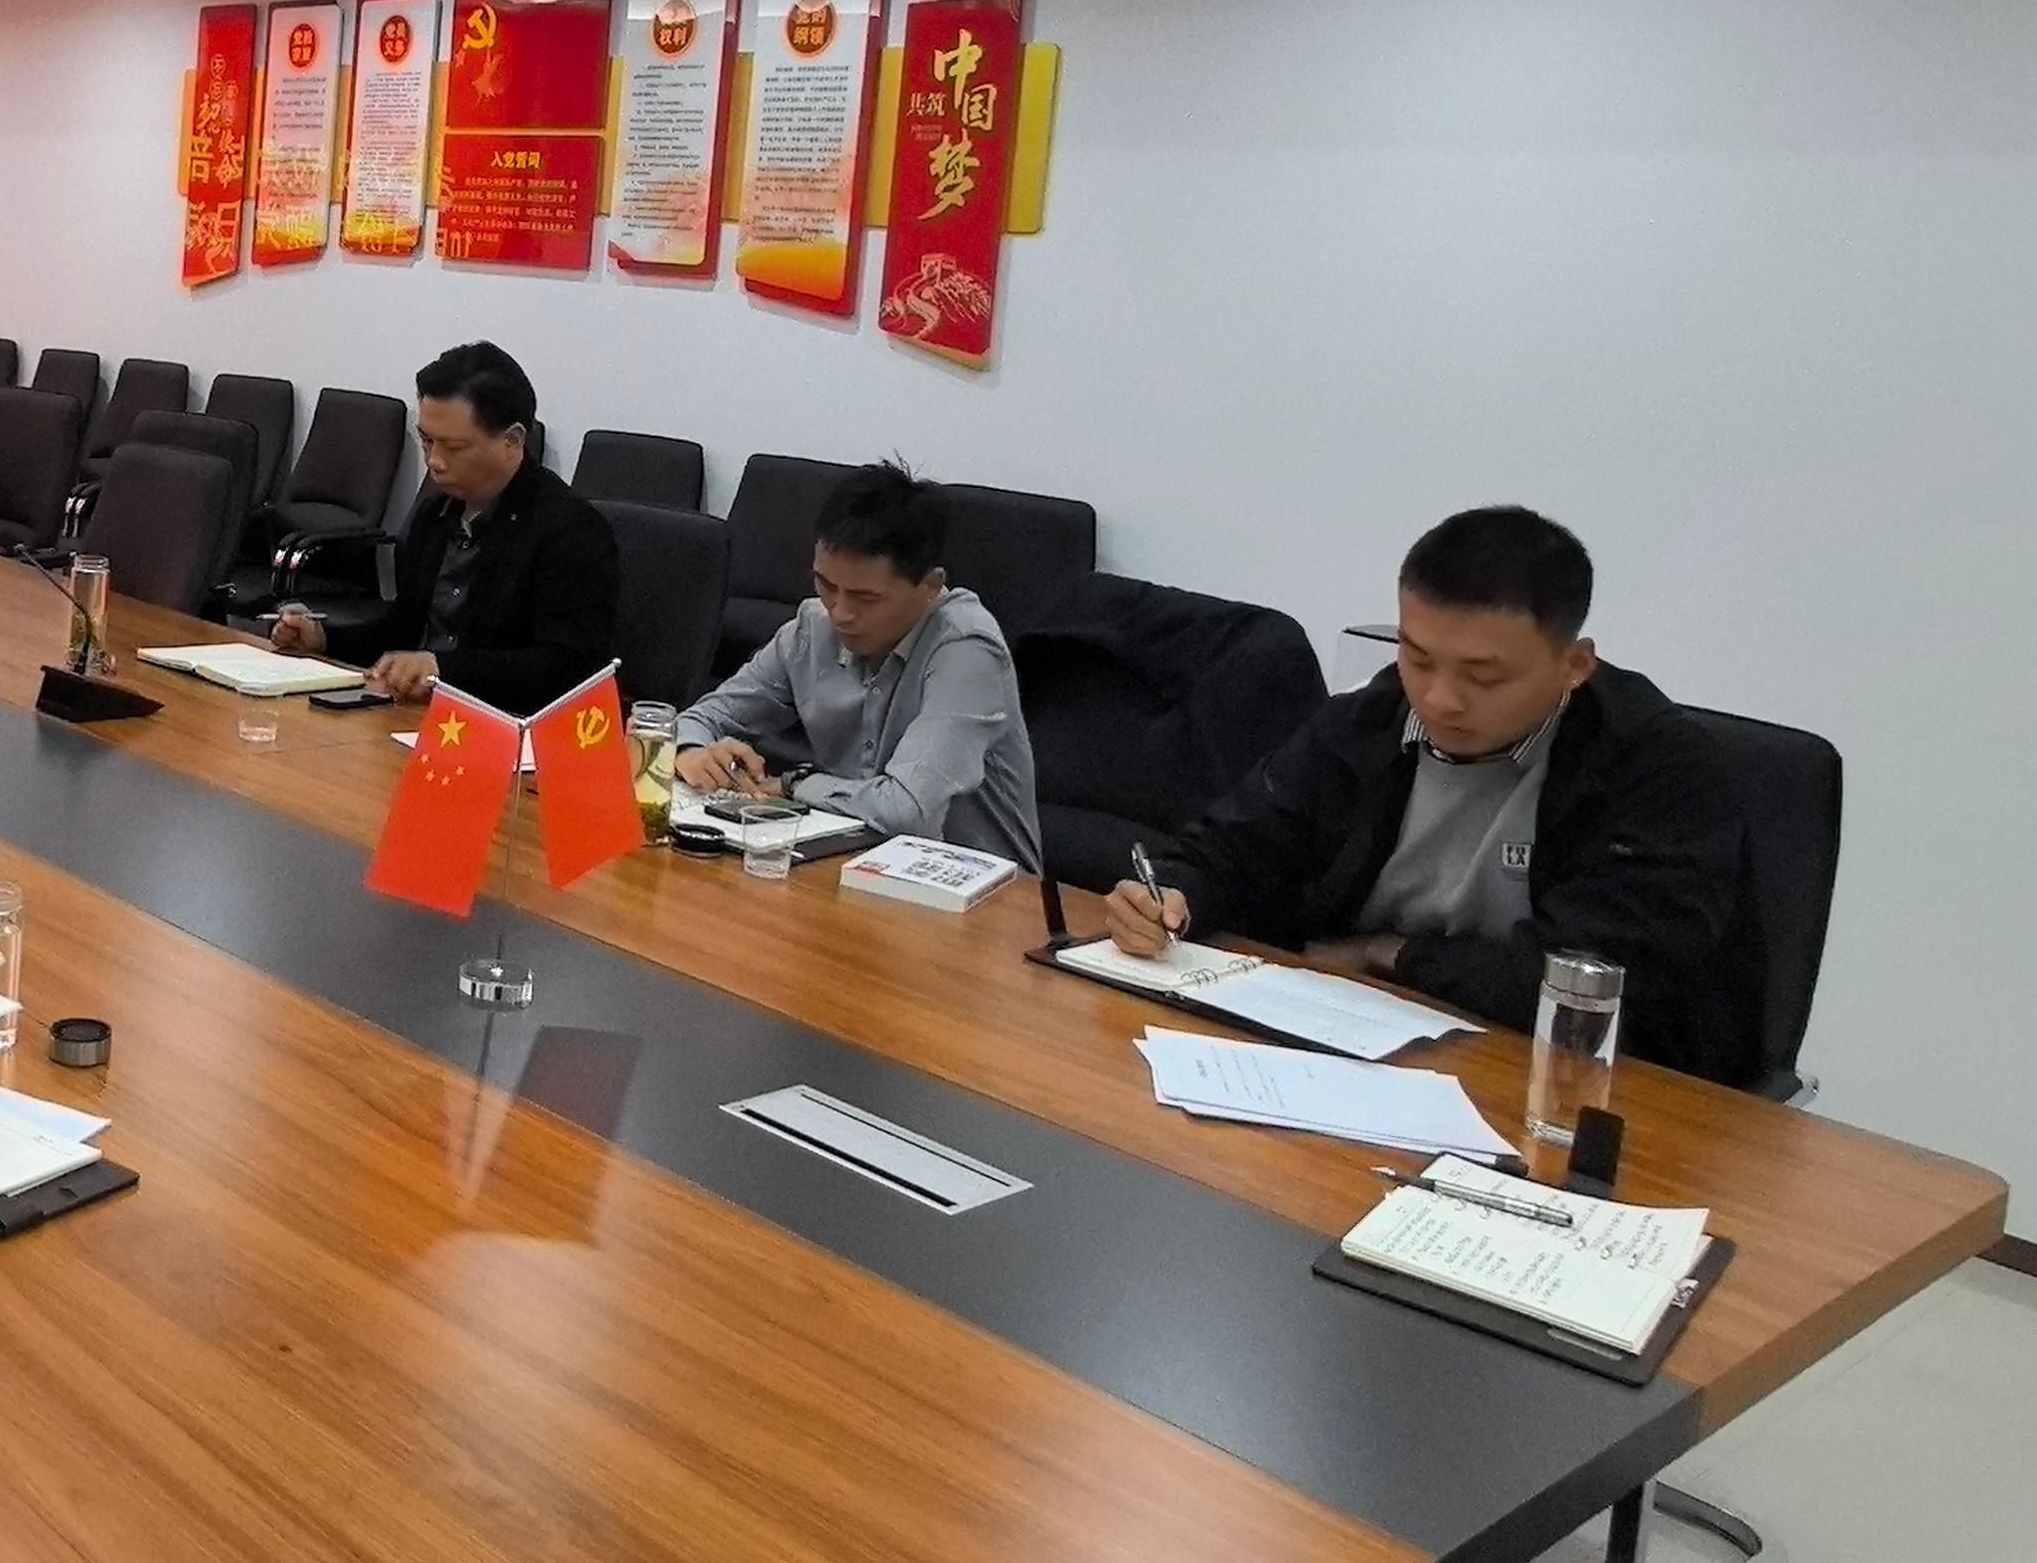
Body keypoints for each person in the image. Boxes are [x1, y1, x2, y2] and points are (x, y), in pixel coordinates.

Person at [1105, 506, 1760, 1084]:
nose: (1440, 698)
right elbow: (1239, 844)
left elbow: (1590, 980)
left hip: (1572, 1081)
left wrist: (1391, 955)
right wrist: (1173, 894)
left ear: (1574, 666)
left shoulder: (1658, 770)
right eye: (1417, 657)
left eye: (1484, 676)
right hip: (1367, 1044)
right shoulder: (1369, 721)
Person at [671, 461, 1042, 867]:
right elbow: (701, 718)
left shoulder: (968, 650)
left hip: (979, 886)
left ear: (930, 587)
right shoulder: (812, 628)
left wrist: (794, 784)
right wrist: (692, 751)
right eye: (826, 585)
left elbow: (908, 812)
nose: (840, 613)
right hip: (852, 864)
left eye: (866, 598)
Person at [267, 341, 619, 713]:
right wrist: (324, 638)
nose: (434, 461)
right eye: (426, 440)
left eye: (454, 447)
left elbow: (569, 668)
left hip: (503, 726)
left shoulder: (570, 530)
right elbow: (404, 631)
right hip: (418, 715)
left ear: (512, 441)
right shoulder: (435, 515)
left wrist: (444, 671)